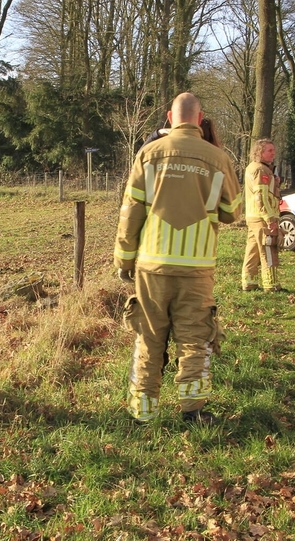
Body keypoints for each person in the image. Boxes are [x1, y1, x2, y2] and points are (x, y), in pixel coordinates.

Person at [114, 93, 242, 423]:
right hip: (197, 267)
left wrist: (124, 261)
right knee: (195, 339)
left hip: (152, 266)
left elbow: (131, 212)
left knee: (149, 336)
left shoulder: (149, 154)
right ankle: (193, 411)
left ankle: (143, 412)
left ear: (169, 119)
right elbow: (231, 213)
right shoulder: (218, 158)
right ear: (200, 120)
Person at [242, 139, 282, 292]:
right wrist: (270, 218)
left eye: (273, 150)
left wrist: (276, 182)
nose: (273, 153)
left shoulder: (256, 168)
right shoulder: (261, 170)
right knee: (268, 250)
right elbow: (261, 196)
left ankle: (249, 282)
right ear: (259, 152)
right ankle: (271, 285)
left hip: (253, 216)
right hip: (261, 217)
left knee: (252, 251)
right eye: (269, 150)